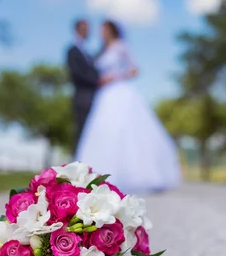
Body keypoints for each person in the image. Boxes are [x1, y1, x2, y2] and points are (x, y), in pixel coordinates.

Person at [76, 20, 182, 194]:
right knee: (105, 131)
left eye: (104, 29)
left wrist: (116, 76)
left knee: (127, 130)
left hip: (119, 91)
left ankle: (136, 175)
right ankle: (100, 177)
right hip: (104, 96)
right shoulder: (101, 52)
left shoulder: (121, 47)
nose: (101, 32)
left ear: (111, 30)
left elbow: (135, 70)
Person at [66, 19, 100, 155]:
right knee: (81, 131)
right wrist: (98, 80)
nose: (88, 31)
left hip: (94, 97)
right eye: (85, 28)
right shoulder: (72, 51)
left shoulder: (88, 53)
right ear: (78, 29)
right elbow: (77, 73)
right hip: (82, 98)